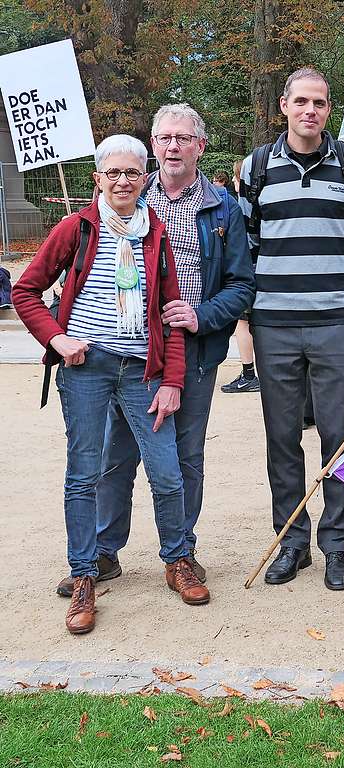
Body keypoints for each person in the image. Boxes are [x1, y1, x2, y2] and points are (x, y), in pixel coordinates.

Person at [50, 104, 256, 599]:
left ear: (200, 145)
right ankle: (103, 551)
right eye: (163, 138)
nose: (172, 146)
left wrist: (201, 314)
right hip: (126, 351)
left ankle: (180, 552)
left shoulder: (223, 208)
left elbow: (243, 286)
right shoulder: (132, 194)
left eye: (183, 138)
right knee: (111, 455)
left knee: (181, 458)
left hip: (194, 351)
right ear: (152, 146)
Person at [13, 134, 209, 634]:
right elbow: (26, 290)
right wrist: (57, 340)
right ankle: (84, 575)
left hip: (142, 370)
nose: (123, 181)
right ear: (98, 179)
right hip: (87, 369)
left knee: (166, 470)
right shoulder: (75, 229)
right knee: (85, 473)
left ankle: (177, 559)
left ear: (145, 180)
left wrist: (172, 380)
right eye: (113, 173)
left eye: (132, 173)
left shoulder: (156, 234)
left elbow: (169, 317)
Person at [238, 67, 344, 591]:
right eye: (301, 102)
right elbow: (247, 245)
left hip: (335, 321)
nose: (310, 111)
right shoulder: (256, 167)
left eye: (319, 102)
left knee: (340, 436)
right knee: (282, 437)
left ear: (327, 107)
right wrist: (253, 311)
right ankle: (291, 540)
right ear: (284, 105)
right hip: (275, 324)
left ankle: (337, 545)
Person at [222, 157, 260, 393]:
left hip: (247, 273)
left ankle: (249, 374)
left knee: (242, 324)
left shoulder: (240, 206)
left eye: (236, 178)